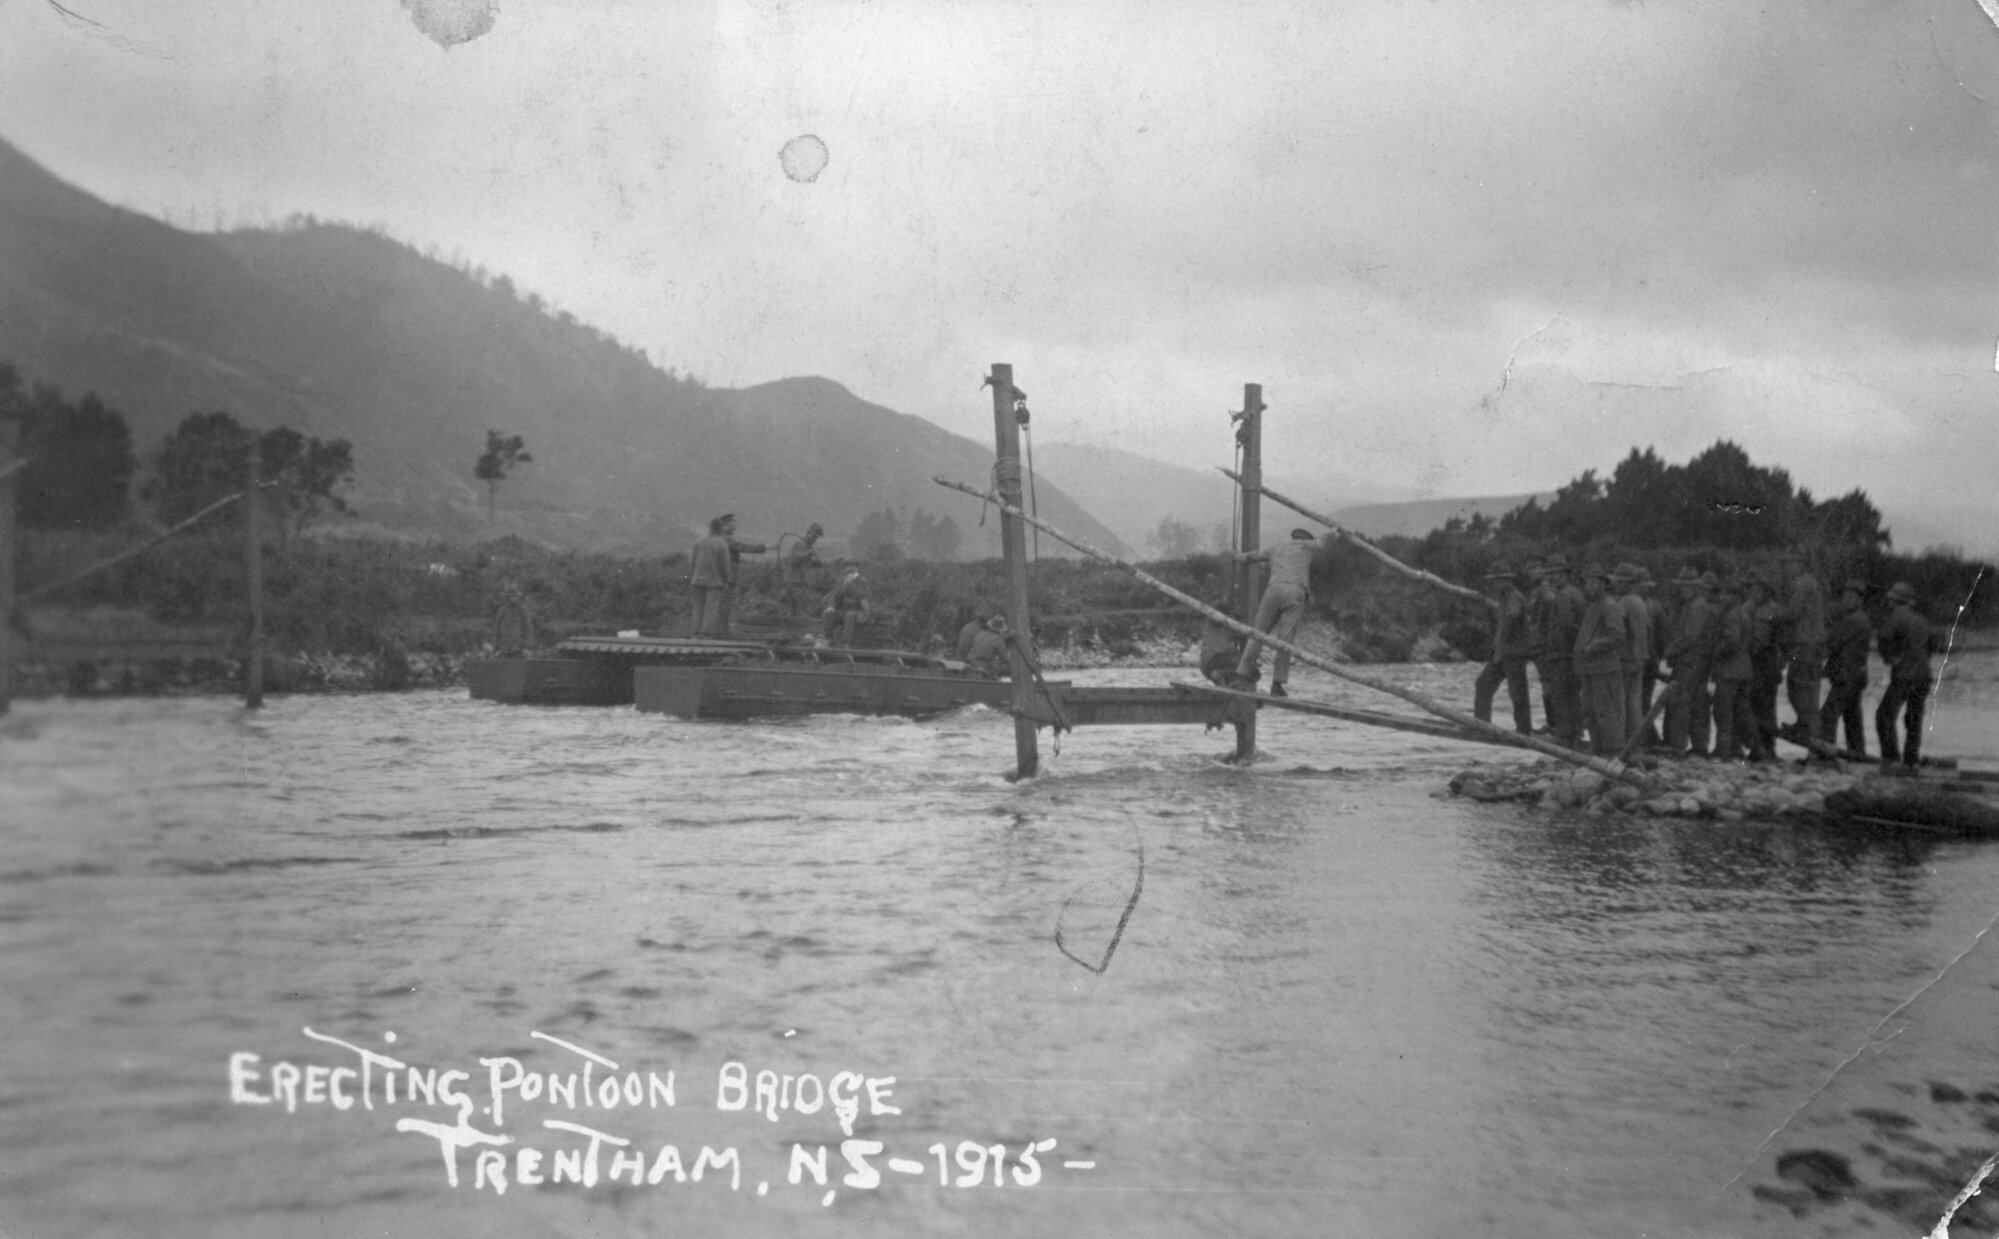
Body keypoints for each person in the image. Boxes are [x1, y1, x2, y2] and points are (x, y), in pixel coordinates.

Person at [1232, 528, 1319, 697]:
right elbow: (1324, 541)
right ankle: (1277, 684)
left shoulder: (1276, 547)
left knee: (1257, 633)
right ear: (1304, 539)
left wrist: (1237, 557)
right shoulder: (1306, 546)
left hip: (1273, 590)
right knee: (1285, 640)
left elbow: (1251, 557)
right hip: (1295, 591)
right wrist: (1335, 531)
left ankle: (1241, 675)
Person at [1875, 580, 1934, 768]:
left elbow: (1883, 637)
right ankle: (1911, 759)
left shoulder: (1895, 617)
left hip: (1904, 675)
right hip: (1924, 675)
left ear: (1893, 600)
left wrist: (1890, 659)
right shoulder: (1922, 620)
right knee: (1914, 719)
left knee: (1884, 716)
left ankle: (1891, 758)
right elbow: (1932, 645)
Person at [1573, 564, 1628, 756]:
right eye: (1586, 582)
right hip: (1590, 667)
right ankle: (1597, 749)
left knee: (1605, 712)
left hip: (1604, 668)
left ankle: (1613, 751)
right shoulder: (1594, 605)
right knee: (1589, 711)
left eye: (1593, 582)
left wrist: (1593, 647)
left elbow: (1618, 635)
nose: (1588, 586)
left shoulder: (1609, 605)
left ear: (1602, 584)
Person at [1712, 578, 1769, 762]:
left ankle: (1724, 750)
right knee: (1744, 712)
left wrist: (1715, 651)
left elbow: (1732, 640)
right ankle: (1757, 749)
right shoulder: (1745, 614)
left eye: (1726, 594)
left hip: (1729, 671)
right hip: (1745, 670)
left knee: (1723, 711)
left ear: (1734, 597)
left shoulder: (1731, 615)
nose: (1722, 597)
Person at [1473, 560, 1533, 735]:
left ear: (1506, 580)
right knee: (1483, 684)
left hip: (1513, 654)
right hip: (1501, 654)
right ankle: (1481, 725)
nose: (1493, 584)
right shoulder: (1504, 597)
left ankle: (1524, 731)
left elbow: (1513, 615)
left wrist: (1506, 636)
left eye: (1496, 580)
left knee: (1518, 694)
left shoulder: (1514, 596)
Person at [1663, 569, 1714, 756]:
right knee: (1697, 703)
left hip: (1692, 660)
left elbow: (1691, 636)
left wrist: (1671, 650)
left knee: (1682, 701)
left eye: (1688, 586)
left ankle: (1678, 745)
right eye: (1682, 586)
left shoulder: (1696, 606)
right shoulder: (1693, 605)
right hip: (1695, 660)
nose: (1684, 590)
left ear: (1695, 587)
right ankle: (1699, 746)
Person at [1820, 581, 1872, 758]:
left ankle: (1825, 754)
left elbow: (1832, 642)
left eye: (1850, 598)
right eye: (1845, 597)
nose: (1845, 601)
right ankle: (1857, 754)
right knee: (1852, 718)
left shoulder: (1854, 620)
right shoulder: (1859, 619)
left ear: (1859, 600)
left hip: (1847, 676)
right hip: (1855, 676)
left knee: (1828, 715)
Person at [1779, 549, 1826, 743]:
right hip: (1811, 647)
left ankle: (1811, 736)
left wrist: (1772, 617)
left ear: (1799, 563)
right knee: (1802, 691)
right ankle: (1805, 727)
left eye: (1789, 563)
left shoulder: (1803, 583)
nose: (1786, 568)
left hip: (1806, 647)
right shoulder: (1810, 582)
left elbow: (1792, 614)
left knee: (1803, 694)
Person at [1541, 554, 1586, 747]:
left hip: (1563, 653)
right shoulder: (1575, 592)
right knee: (1572, 696)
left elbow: (1566, 625)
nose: (1552, 578)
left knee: (1561, 695)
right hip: (1573, 653)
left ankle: (1565, 735)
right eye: (1550, 574)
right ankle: (1575, 734)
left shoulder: (1564, 595)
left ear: (1564, 574)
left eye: (1556, 574)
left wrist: (1560, 646)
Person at [1612, 563, 1651, 747]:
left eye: (1620, 582)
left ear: (1627, 583)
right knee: (1634, 703)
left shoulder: (1625, 602)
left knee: (1620, 703)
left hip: (1625, 658)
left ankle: (1621, 742)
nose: (1616, 585)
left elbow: (1616, 629)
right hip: (1640, 658)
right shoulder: (1640, 602)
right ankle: (1637, 743)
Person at [1747, 573, 1786, 755]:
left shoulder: (1774, 611)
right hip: (1755, 664)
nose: (1756, 593)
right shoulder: (1751, 609)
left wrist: (1779, 665)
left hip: (1768, 663)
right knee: (1755, 704)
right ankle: (1758, 745)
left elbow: (1777, 640)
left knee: (1767, 706)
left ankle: (1768, 747)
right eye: (1754, 590)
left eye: (1759, 590)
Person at [689, 514, 738, 637]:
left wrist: (693, 576)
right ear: (720, 529)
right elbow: (725, 565)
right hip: (714, 581)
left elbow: (693, 562)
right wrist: (727, 580)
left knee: (698, 607)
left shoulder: (698, 542)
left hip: (697, 580)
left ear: (710, 527)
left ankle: (695, 631)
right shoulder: (721, 544)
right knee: (710, 608)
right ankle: (705, 633)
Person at [821, 563, 871, 647]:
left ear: (856, 568)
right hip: (844, 611)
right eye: (848, 567)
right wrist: (832, 606)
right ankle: (828, 639)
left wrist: (850, 584)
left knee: (849, 615)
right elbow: (835, 595)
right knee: (828, 613)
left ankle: (847, 643)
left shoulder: (863, 581)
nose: (849, 569)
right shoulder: (843, 581)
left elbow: (861, 596)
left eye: (852, 566)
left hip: (858, 611)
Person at [492, 583, 536, 655]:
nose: (516, 598)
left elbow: (528, 629)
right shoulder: (501, 611)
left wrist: (527, 647)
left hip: (519, 649)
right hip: (504, 649)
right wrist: (495, 648)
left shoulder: (522, 611)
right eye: (513, 596)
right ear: (508, 597)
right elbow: (497, 631)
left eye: (516, 596)